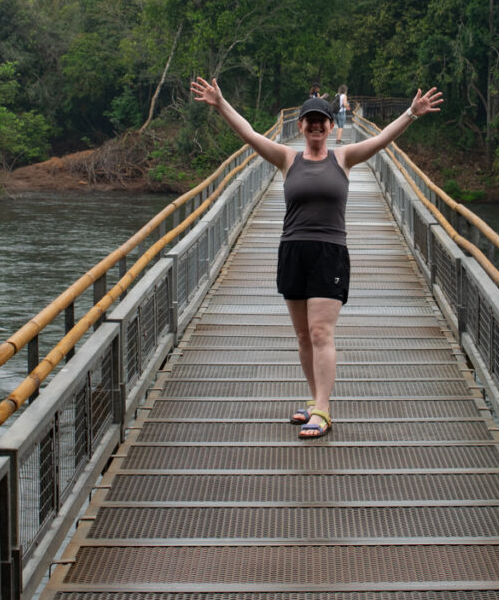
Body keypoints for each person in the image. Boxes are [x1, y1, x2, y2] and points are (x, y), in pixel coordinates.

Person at [190, 77, 443, 439]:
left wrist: (411, 114)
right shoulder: (286, 158)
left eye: (321, 120)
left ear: (330, 124)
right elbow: (249, 134)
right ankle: (314, 400)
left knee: (322, 331)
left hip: (329, 253)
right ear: (300, 126)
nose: (315, 125)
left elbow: (381, 138)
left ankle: (323, 409)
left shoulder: (343, 157)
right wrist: (220, 104)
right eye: (309, 120)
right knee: (303, 336)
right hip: (293, 250)